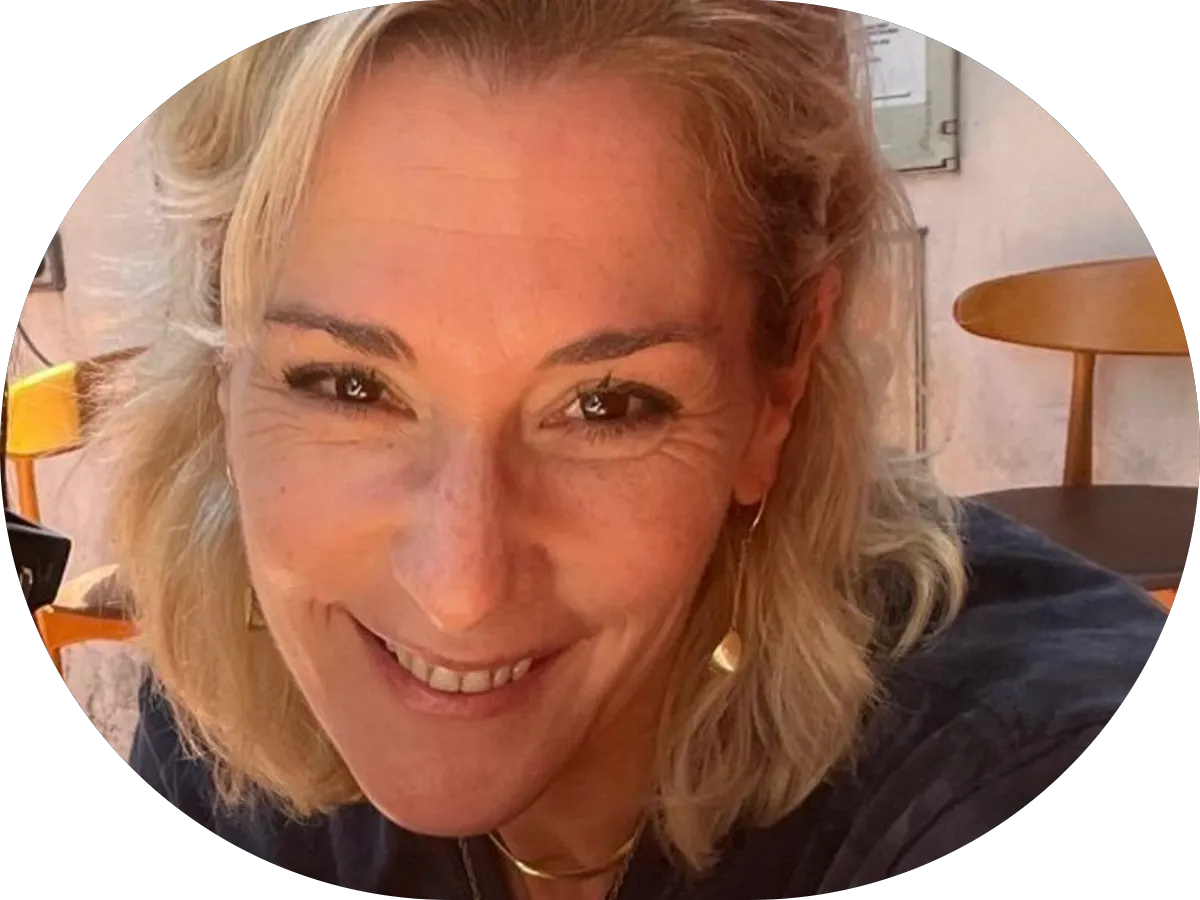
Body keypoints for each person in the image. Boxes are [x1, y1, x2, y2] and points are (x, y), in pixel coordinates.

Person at [84, 3, 1168, 898]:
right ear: (220, 361)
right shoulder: (219, 711)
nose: (458, 588)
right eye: (348, 385)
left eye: (607, 405)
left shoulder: (1003, 768)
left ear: (777, 389)